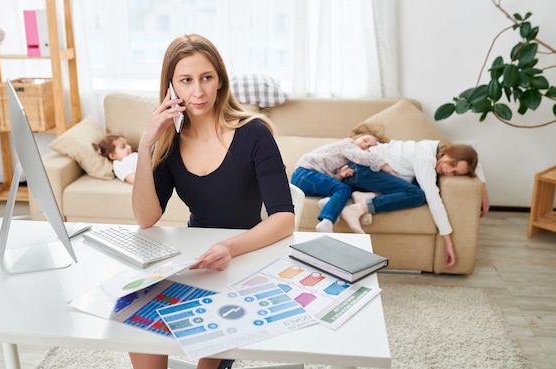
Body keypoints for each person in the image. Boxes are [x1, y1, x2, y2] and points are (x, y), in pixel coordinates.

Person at [130, 33, 295, 369]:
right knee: (136, 322)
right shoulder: (169, 142)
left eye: (206, 77)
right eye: (186, 81)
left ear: (220, 79)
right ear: (171, 87)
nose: (198, 91)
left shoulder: (255, 133)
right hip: (197, 261)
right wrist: (147, 144)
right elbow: (146, 218)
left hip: (246, 259)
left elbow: (284, 218)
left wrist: (229, 248)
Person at [339, 139, 489, 269]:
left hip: (364, 174)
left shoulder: (434, 147)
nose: (448, 170)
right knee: (417, 195)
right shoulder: (425, 156)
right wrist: (448, 242)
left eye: (455, 173)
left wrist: (483, 192)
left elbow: (476, 162)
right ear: (449, 153)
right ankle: (359, 209)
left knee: (416, 185)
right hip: (361, 170)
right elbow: (433, 197)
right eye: (453, 163)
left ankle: (364, 196)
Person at [291, 134, 426, 233]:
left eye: (369, 147)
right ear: (356, 137)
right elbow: (365, 158)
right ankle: (327, 221)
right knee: (343, 189)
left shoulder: (342, 157)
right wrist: (386, 168)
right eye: (365, 140)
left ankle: (329, 202)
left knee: (341, 186)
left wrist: (340, 175)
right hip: (306, 172)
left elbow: (330, 178)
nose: (365, 146)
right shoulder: (347, 144)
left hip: (305, 181)